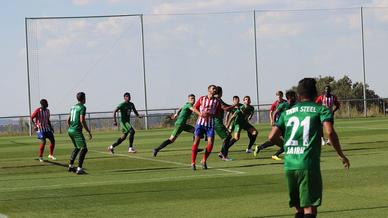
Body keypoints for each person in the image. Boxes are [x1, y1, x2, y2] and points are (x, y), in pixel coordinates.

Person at [268, 78, 350, 218]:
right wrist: (341, 155)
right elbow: (329, 132)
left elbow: (271, 137)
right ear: (315, 93)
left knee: (298, 209)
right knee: (309, 209)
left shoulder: (287, 112)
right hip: (308, 164)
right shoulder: (321, 110)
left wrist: (287, 148)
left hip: (290, 165)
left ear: (298, 95)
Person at [254, 90, 297, 160]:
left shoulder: (295, 105)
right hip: (280, 125)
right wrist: (273, 122)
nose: (296, 97)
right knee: (277, 140)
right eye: (294, 96)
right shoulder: (284, 104)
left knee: (275, 141)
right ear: (290, 97)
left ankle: (261, 148)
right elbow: (274, 112)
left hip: (286, 126)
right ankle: (274, 154)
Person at [191, 85, 221, 170]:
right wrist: (200, 114)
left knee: (210, 143)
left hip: (210, 125)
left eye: (215, 89)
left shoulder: (217, 101)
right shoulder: (202, 99)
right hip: (200, 124)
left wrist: (210, 114)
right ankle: (193, 162)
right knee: (196, 142)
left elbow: (218, 113)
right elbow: (194, 108)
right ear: (209, 90)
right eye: (213, 88)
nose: (215, 90)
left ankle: (204, 160)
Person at [67, 92, 92, 175]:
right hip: (76, 131)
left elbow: (68, 119)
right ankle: (79, 169)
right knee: (84, 149)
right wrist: (88, 131)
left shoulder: (73, 107)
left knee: (77, 147)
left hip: (70, 130)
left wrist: (71, 127)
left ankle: (70, 166)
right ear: (84, 98)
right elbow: (82, 120)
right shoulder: (82, 107)